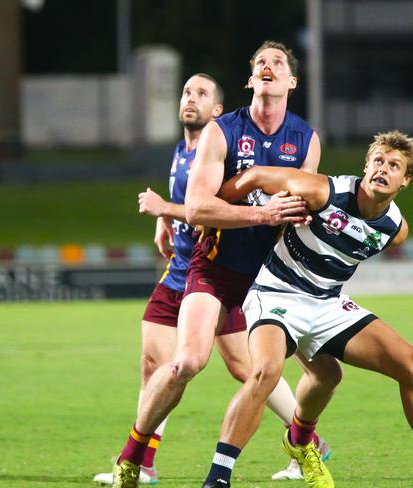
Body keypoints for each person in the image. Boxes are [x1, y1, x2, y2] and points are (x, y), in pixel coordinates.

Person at [111, 41, 340, 487]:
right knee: (187, 362)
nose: (267, 67)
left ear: (292, 81)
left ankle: (304, 446)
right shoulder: (223, 131)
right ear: (251, 80)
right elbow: (196, 208)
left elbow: (301, 211)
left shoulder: (306, 139)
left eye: (277, 63)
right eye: (259, 63)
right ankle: (132, 457)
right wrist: (264, 213)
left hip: (271, 279)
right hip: (214, 269)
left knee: (322, 371)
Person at [198, 130, 413, 488]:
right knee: (266, 372)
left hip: (326, 302)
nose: (383, 169)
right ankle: (218, 478)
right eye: (378, 161)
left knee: (410, 364)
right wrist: (215, 217)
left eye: (394, 166)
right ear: (365, 165)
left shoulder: (396, 229)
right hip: (277, 293)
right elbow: (252, 177)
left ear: (405, 180)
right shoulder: (321, 191)